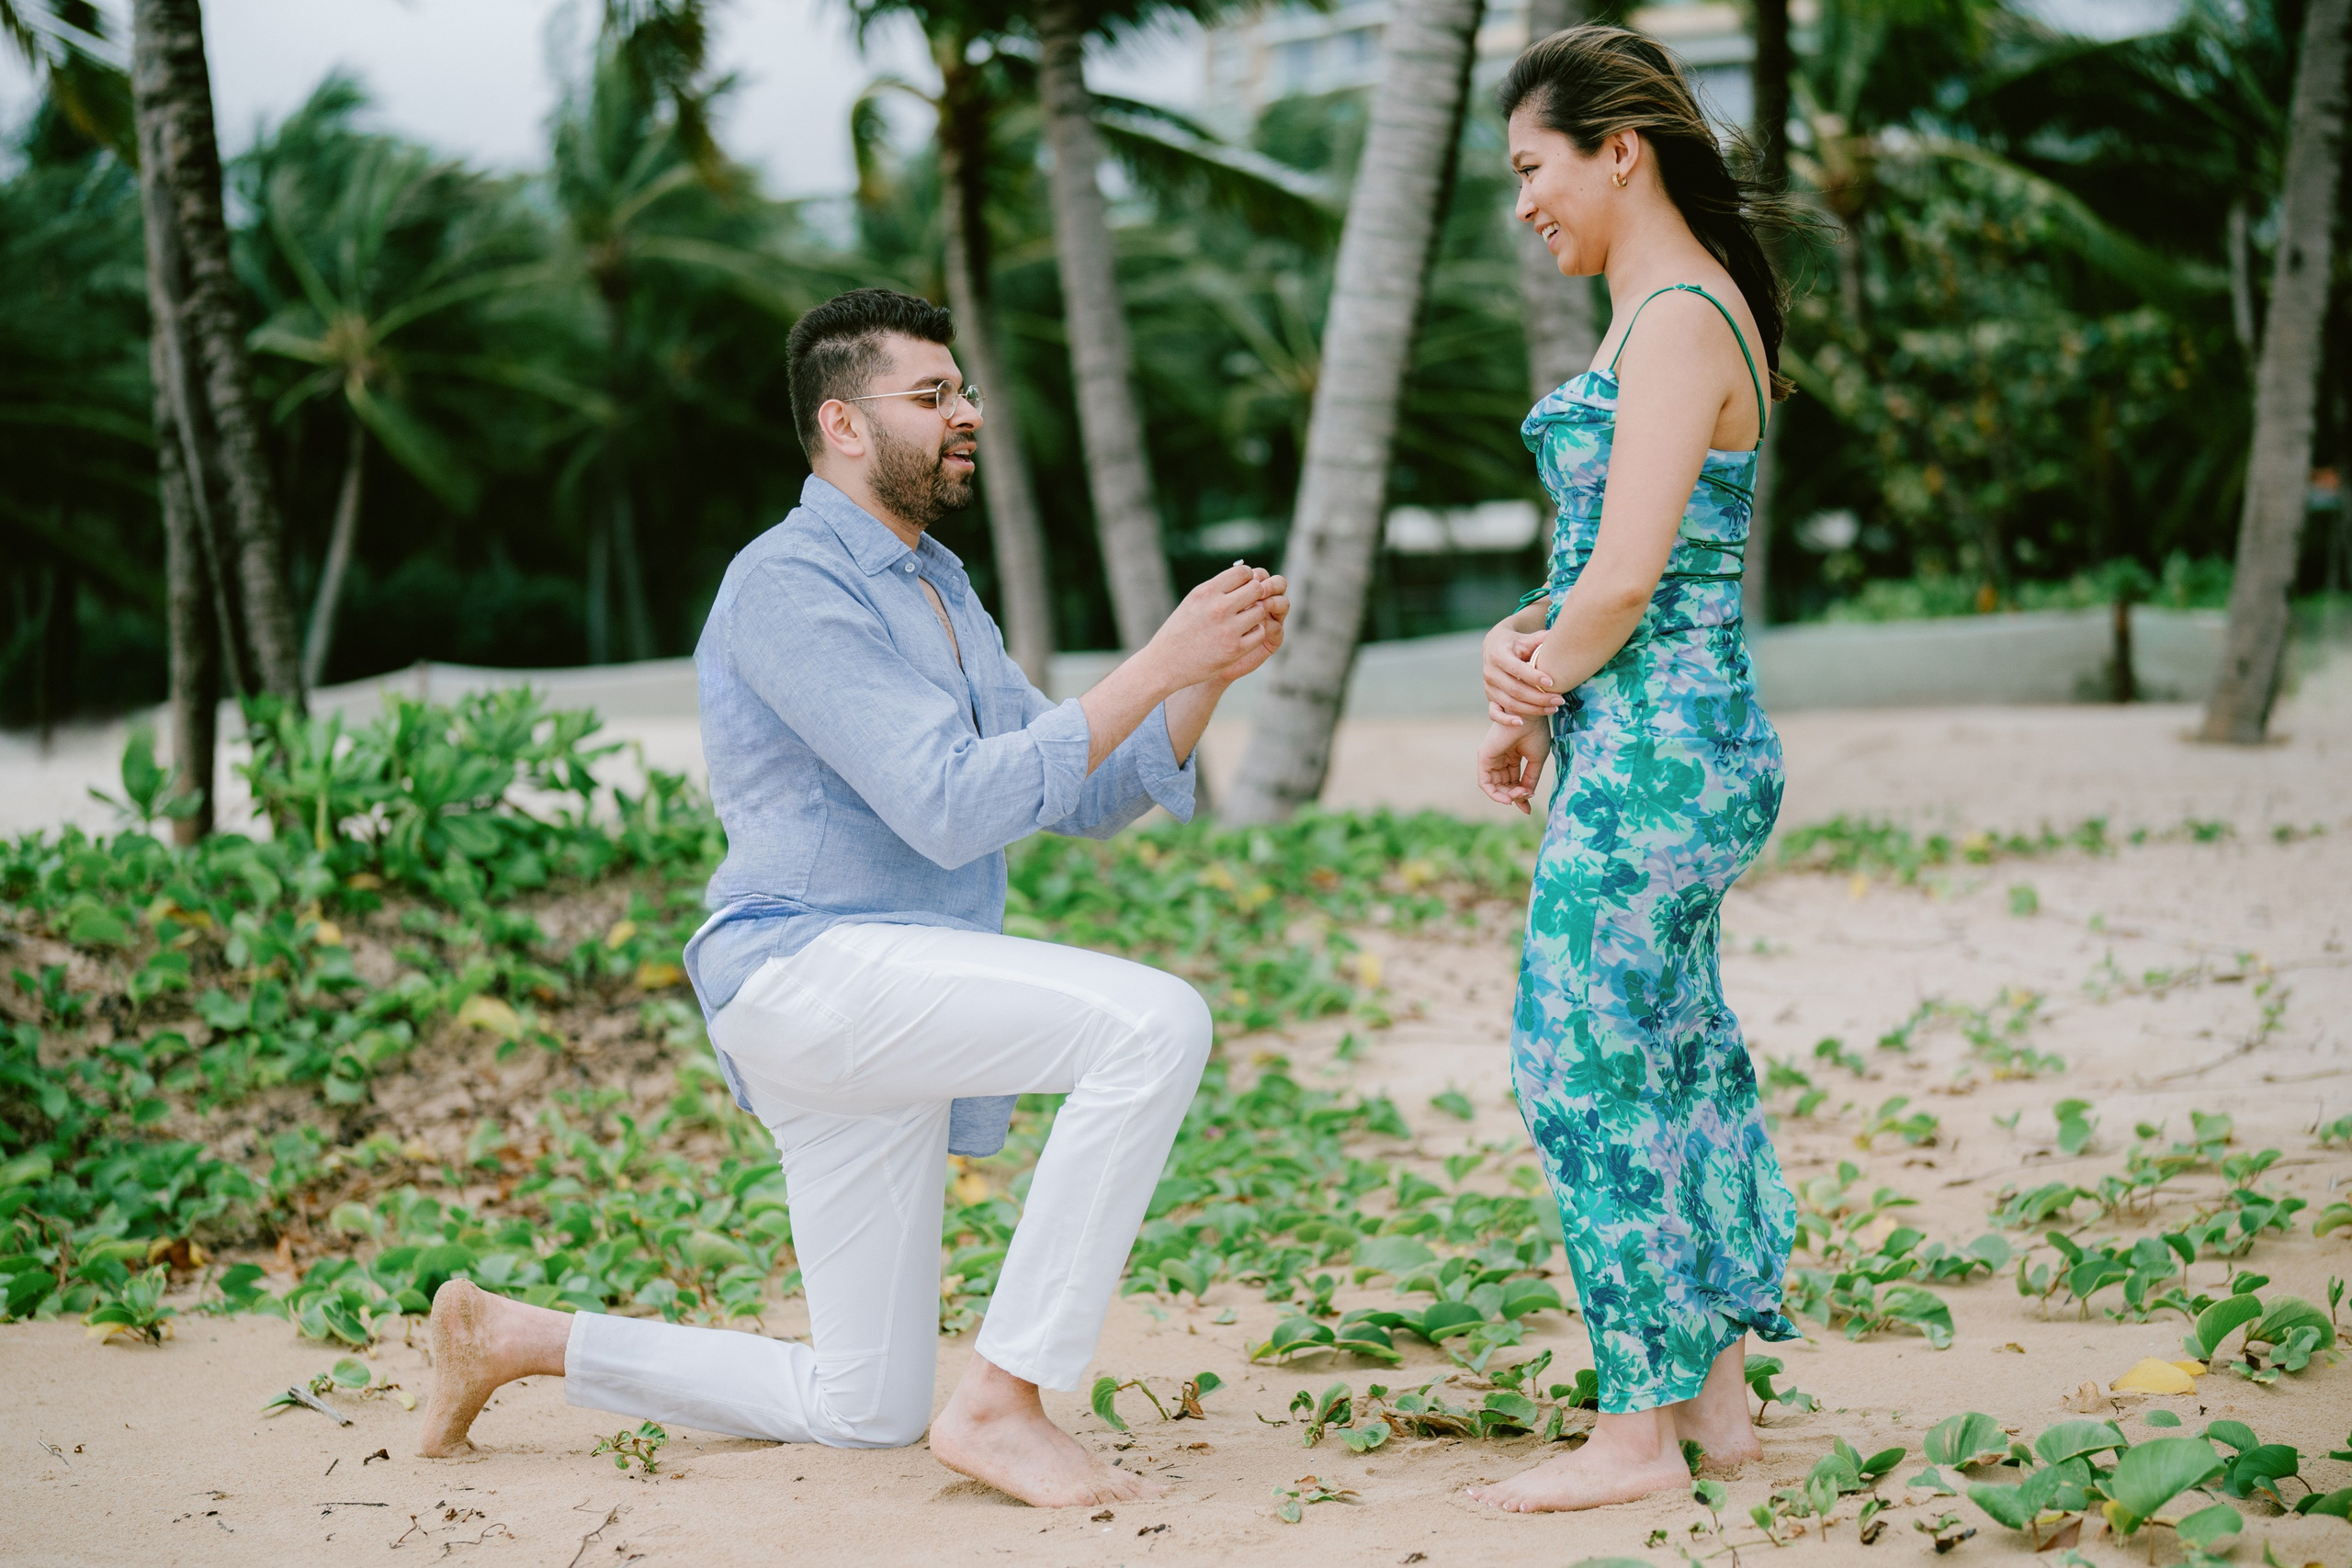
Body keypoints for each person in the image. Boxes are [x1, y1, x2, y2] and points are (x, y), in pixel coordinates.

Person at [418, 287, 1288, 1509]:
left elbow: (1080, 792)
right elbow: (948, 804)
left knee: (865, 1405)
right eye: (932, 396)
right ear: (840, 422)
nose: (966, 413)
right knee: (1156, 1023)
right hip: (809, 973)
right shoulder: (784, 585)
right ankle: (1001, 1397)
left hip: (888, 1004)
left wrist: (1201, 676)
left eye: (964, 390)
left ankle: (514, 1338)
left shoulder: (940, 585)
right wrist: (1154, 661)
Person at [1465, 24, 1805, 1513]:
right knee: (1664, 1051)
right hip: (1664, 735)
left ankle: (1636, 1431)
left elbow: (1626, 584)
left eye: (1534, 168)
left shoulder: (1674, 314)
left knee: (1578, 1064)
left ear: (1621, 150)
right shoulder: (1662, 308)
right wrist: (1524, 654)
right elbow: (1605, 576)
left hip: (1666, 747)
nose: (1523, 202)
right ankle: (1714, 1405)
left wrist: (1537, 679)